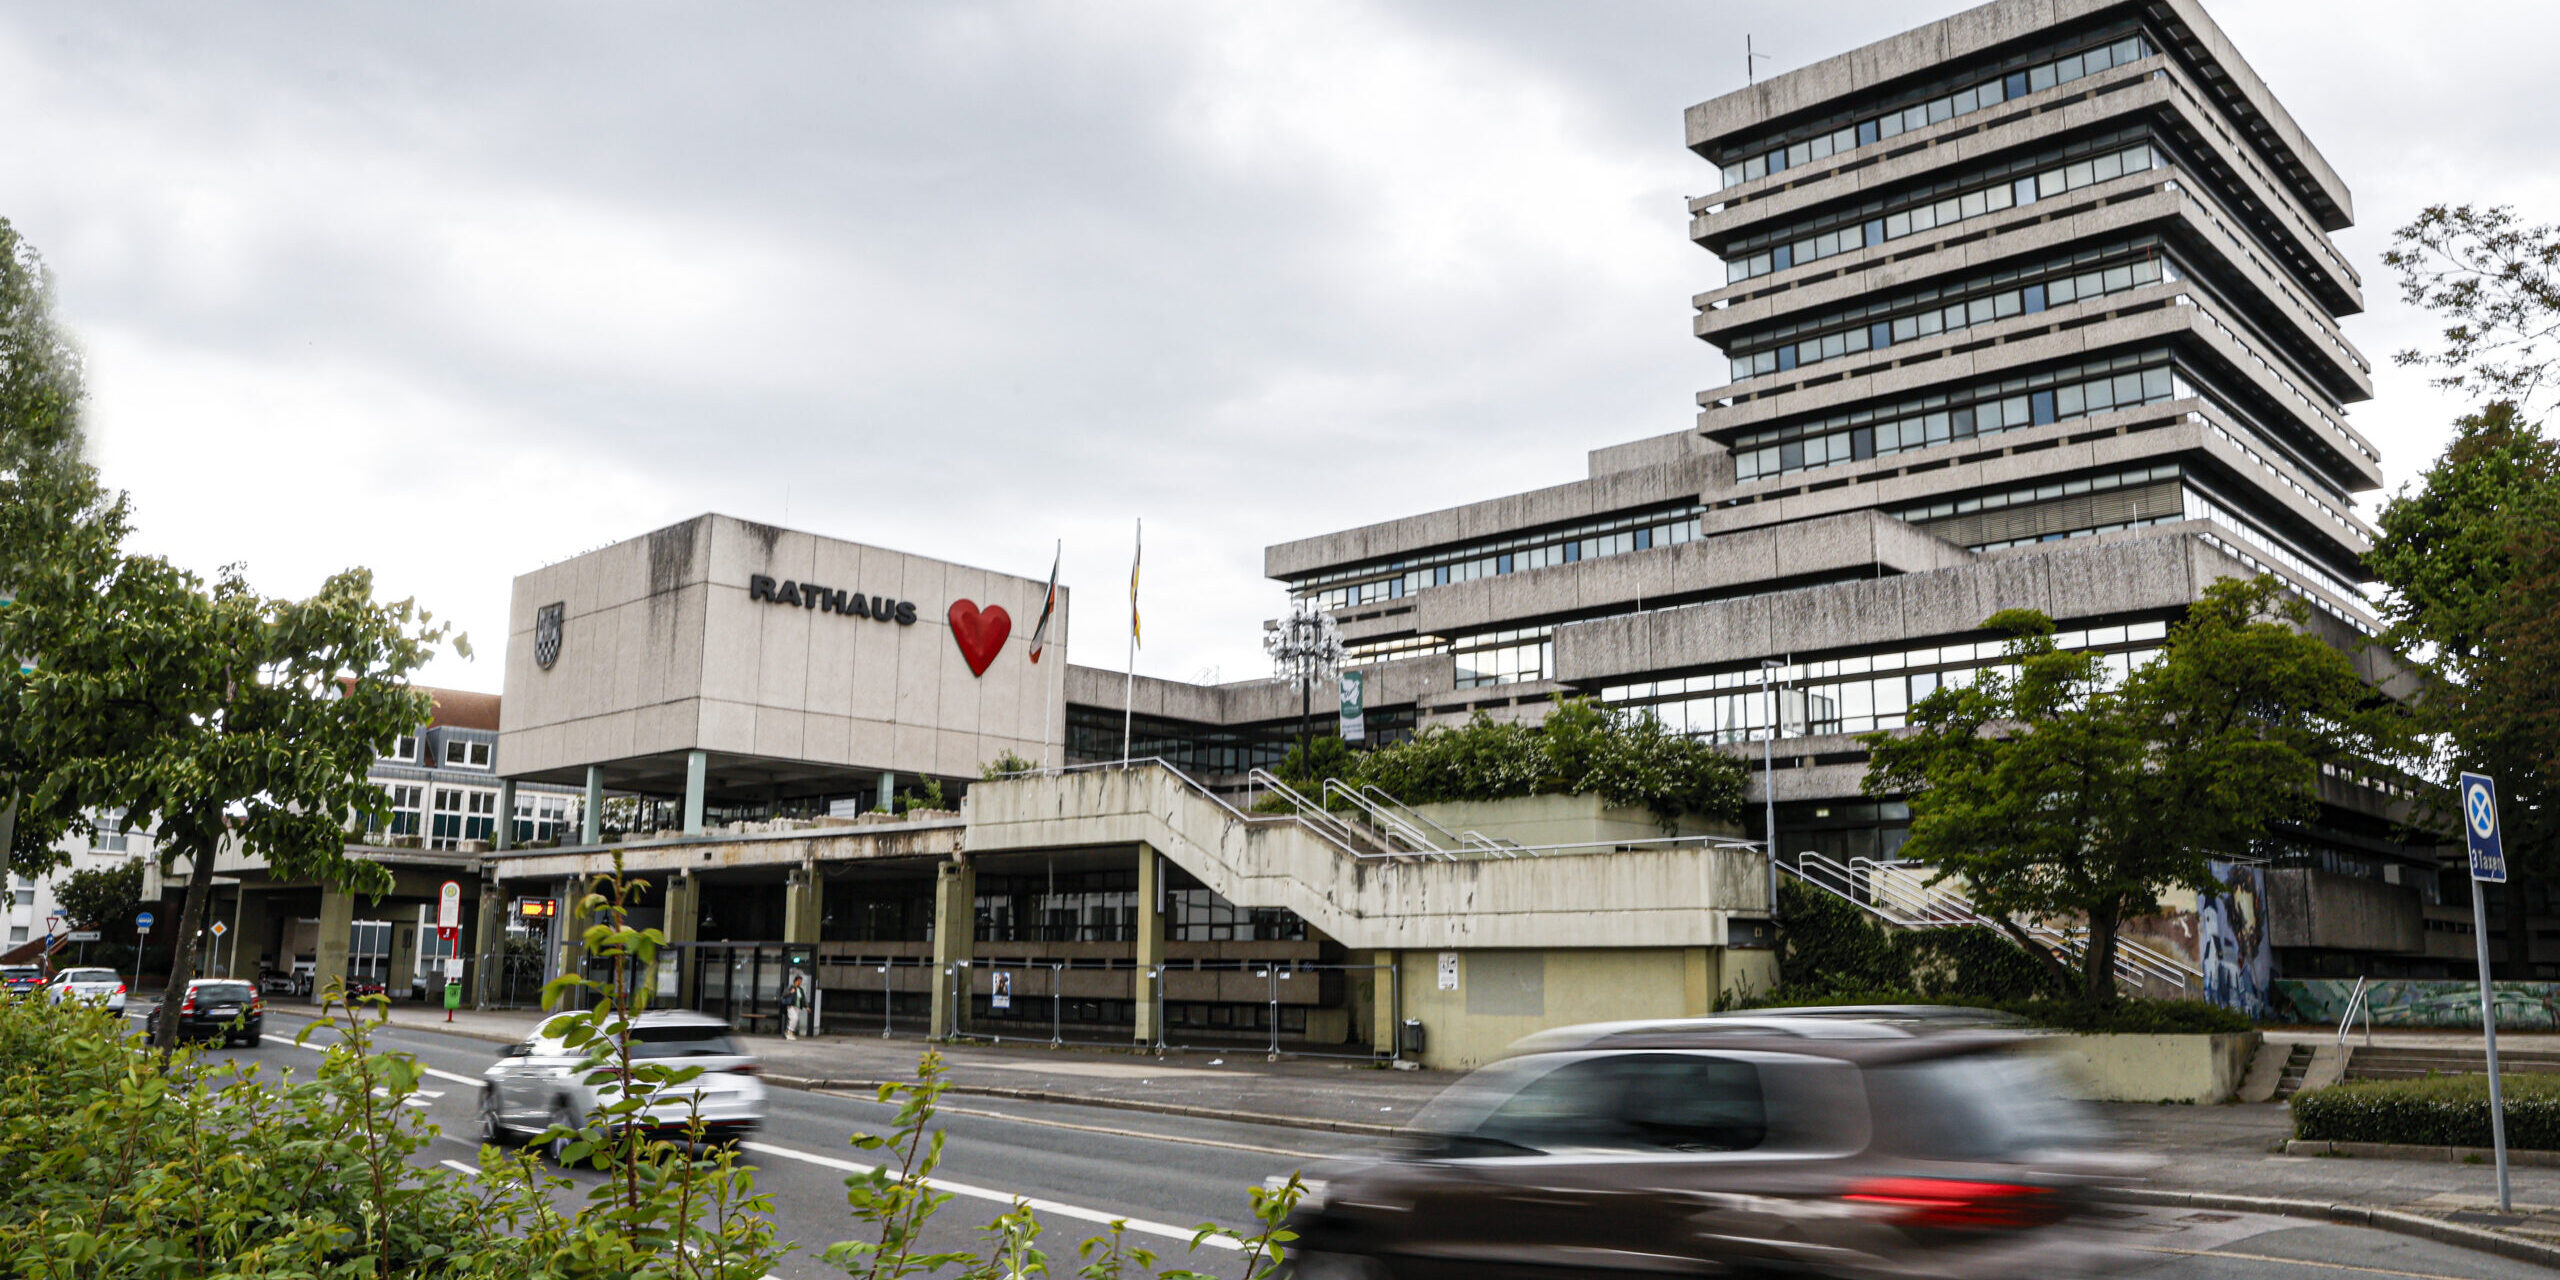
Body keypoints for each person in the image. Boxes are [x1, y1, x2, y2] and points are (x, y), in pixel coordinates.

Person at [784, 970, 809, 1040]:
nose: (800, 983)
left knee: (794, 1020)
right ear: (795, 981)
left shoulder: (800, 989)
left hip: (797, 1007)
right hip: (791, 1006)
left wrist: (806, 1007)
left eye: (801, 981)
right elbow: (784, 994)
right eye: (799, 981)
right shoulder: (791, 987)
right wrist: (790, 992)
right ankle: (789, 1031)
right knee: (794, 1018)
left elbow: (803, 999)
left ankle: (790, 1032)